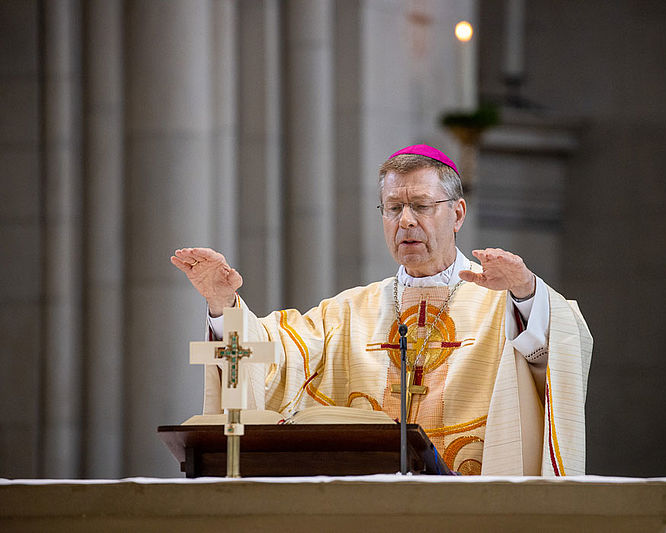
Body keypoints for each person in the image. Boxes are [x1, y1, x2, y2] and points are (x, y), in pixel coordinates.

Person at [171, 144, 592, 476]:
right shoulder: (350, 312)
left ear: (458, 213)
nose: (405, 221)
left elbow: (558, 353)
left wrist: (524, 290)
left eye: (422, 206)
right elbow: (274, 356)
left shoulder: (504, 302)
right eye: (393, 208)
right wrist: (223, 304)